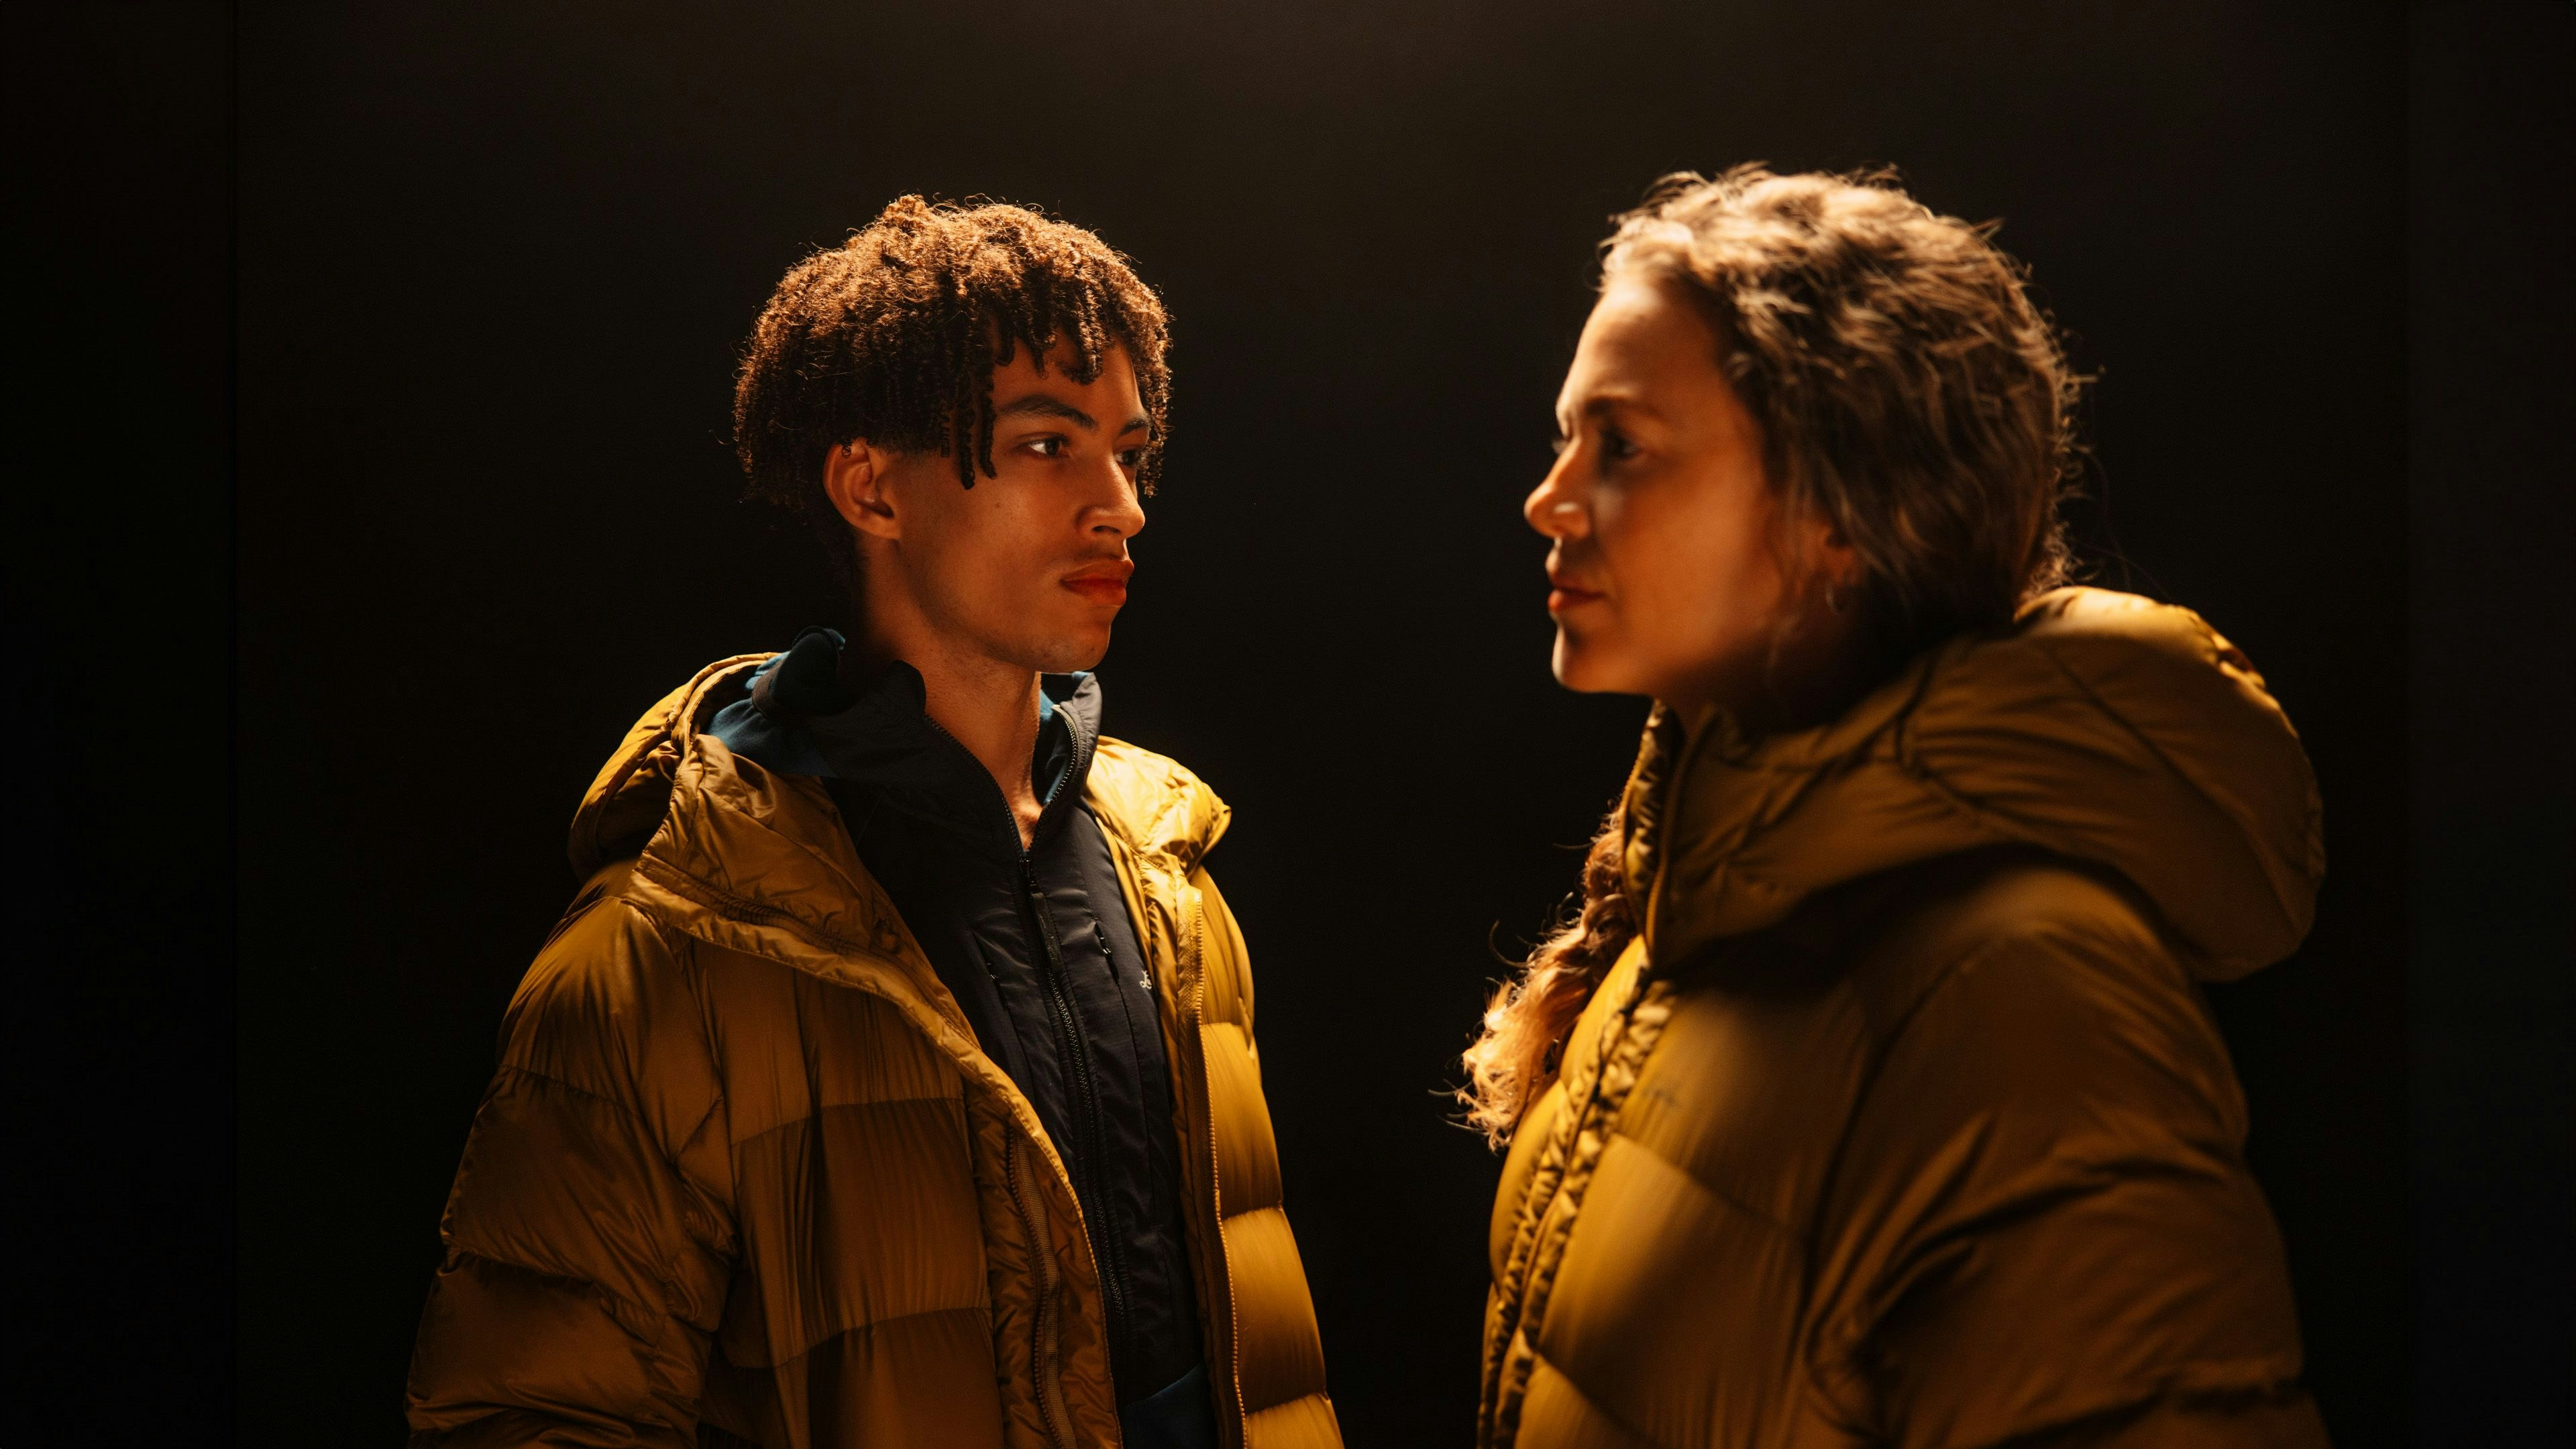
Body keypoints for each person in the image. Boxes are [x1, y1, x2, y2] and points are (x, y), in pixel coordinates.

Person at [405, 197, 1340, 1449]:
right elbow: (522, 1418)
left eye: (1129, 448)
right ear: (870, 488)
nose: (1123, 505)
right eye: (1050, 445)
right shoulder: (667, 953)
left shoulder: (1174, 884)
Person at [1466, 167, 2329, 1448]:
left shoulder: (2026, 1000)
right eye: (1565, 436)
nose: (1551, 498)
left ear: (1840, 520)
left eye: (1624, 445)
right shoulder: (1693, 924)